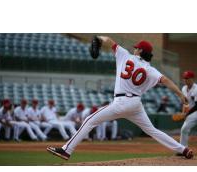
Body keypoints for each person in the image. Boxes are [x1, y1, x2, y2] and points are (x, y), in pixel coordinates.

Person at [47, 36, 193, 160]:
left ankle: (66, 150)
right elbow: (166, 80)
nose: (135, 49)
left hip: (121, 102)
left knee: (89, 120)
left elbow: (109, 41)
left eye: (137, 48)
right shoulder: (150, 69)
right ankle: (183, 149)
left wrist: (98, 38)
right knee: (153, 131)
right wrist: (180, 95)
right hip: (135, 104)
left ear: (140, 51)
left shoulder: (125, 55)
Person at [178, 71, 197, 150]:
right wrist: (183, 113)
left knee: (184, 128)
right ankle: (183, 149)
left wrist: (186, 114)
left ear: (192, 79)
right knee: (184, 128)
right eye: (184, 78)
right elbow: (185, 103)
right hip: (192, 112)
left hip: (194, 110)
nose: (185, 80)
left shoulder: (196, 88)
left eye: (187, 78)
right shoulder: (184, 88)